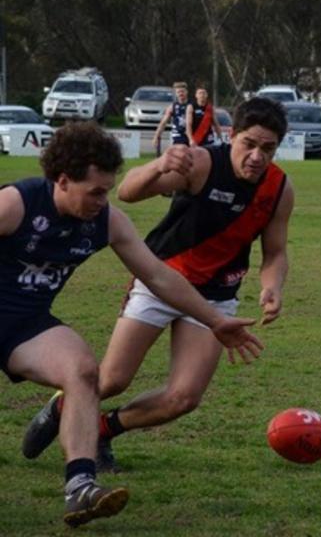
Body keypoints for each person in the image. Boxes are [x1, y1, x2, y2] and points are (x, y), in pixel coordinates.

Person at [5, 122, 262, 527]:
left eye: (107, 191)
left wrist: (216, 321)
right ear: (62, 180)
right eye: (95, 192)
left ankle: (80, 488)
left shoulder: (107, 221)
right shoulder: (16, 205)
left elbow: (159, 277)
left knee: (84, 371)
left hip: (25, 326)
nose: (102, 201)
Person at [21, 98, 293, 473]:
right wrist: (160, 164)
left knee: (184, 398)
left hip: (216, 297)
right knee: (112, 379)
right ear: (232, 135)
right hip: (161, 281)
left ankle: (103, 429)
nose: (257, 156)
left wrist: (272, 286)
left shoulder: (279, 189)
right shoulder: (200, 164)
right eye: (249, 143)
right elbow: (128, 192)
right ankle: (61, 405)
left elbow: (275, 252)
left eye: (268, 148)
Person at [152, 81, 190, 156]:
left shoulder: (192, 105)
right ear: (175, 94)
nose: (181, 94)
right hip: (178, 136)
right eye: (178, 92)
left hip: (191, 136)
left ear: (186, 92)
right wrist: (156, 136)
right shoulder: (172, 107)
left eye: (182, 91)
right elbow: (163, 123)